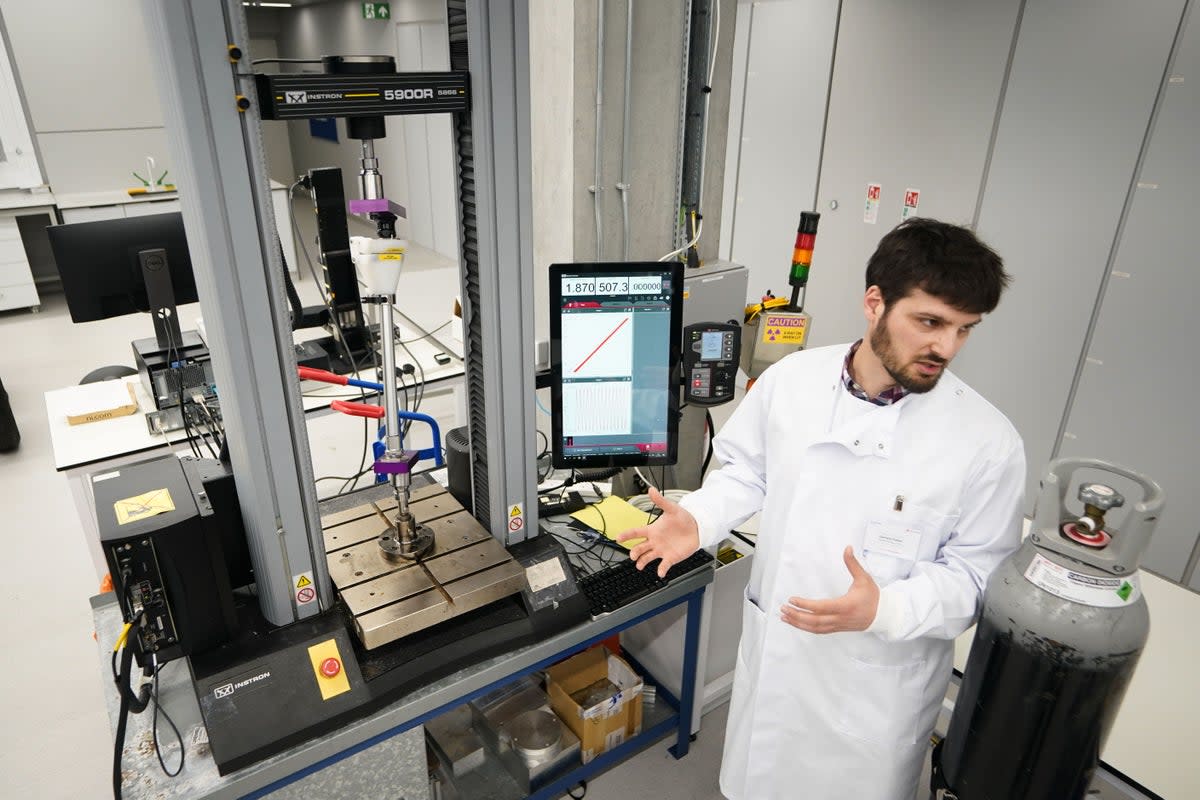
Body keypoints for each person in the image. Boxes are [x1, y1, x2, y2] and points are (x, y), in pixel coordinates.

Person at [619, 218, 1026, 800]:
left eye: (965, 330)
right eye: (930, 322)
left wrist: (886, 608)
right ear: (874, 303)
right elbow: (747, 470)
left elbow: (977, 578)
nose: (946, 347)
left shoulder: (988, 442)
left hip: (876, 691)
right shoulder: (792, 381)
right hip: (781, 665)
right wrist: (702, 516)